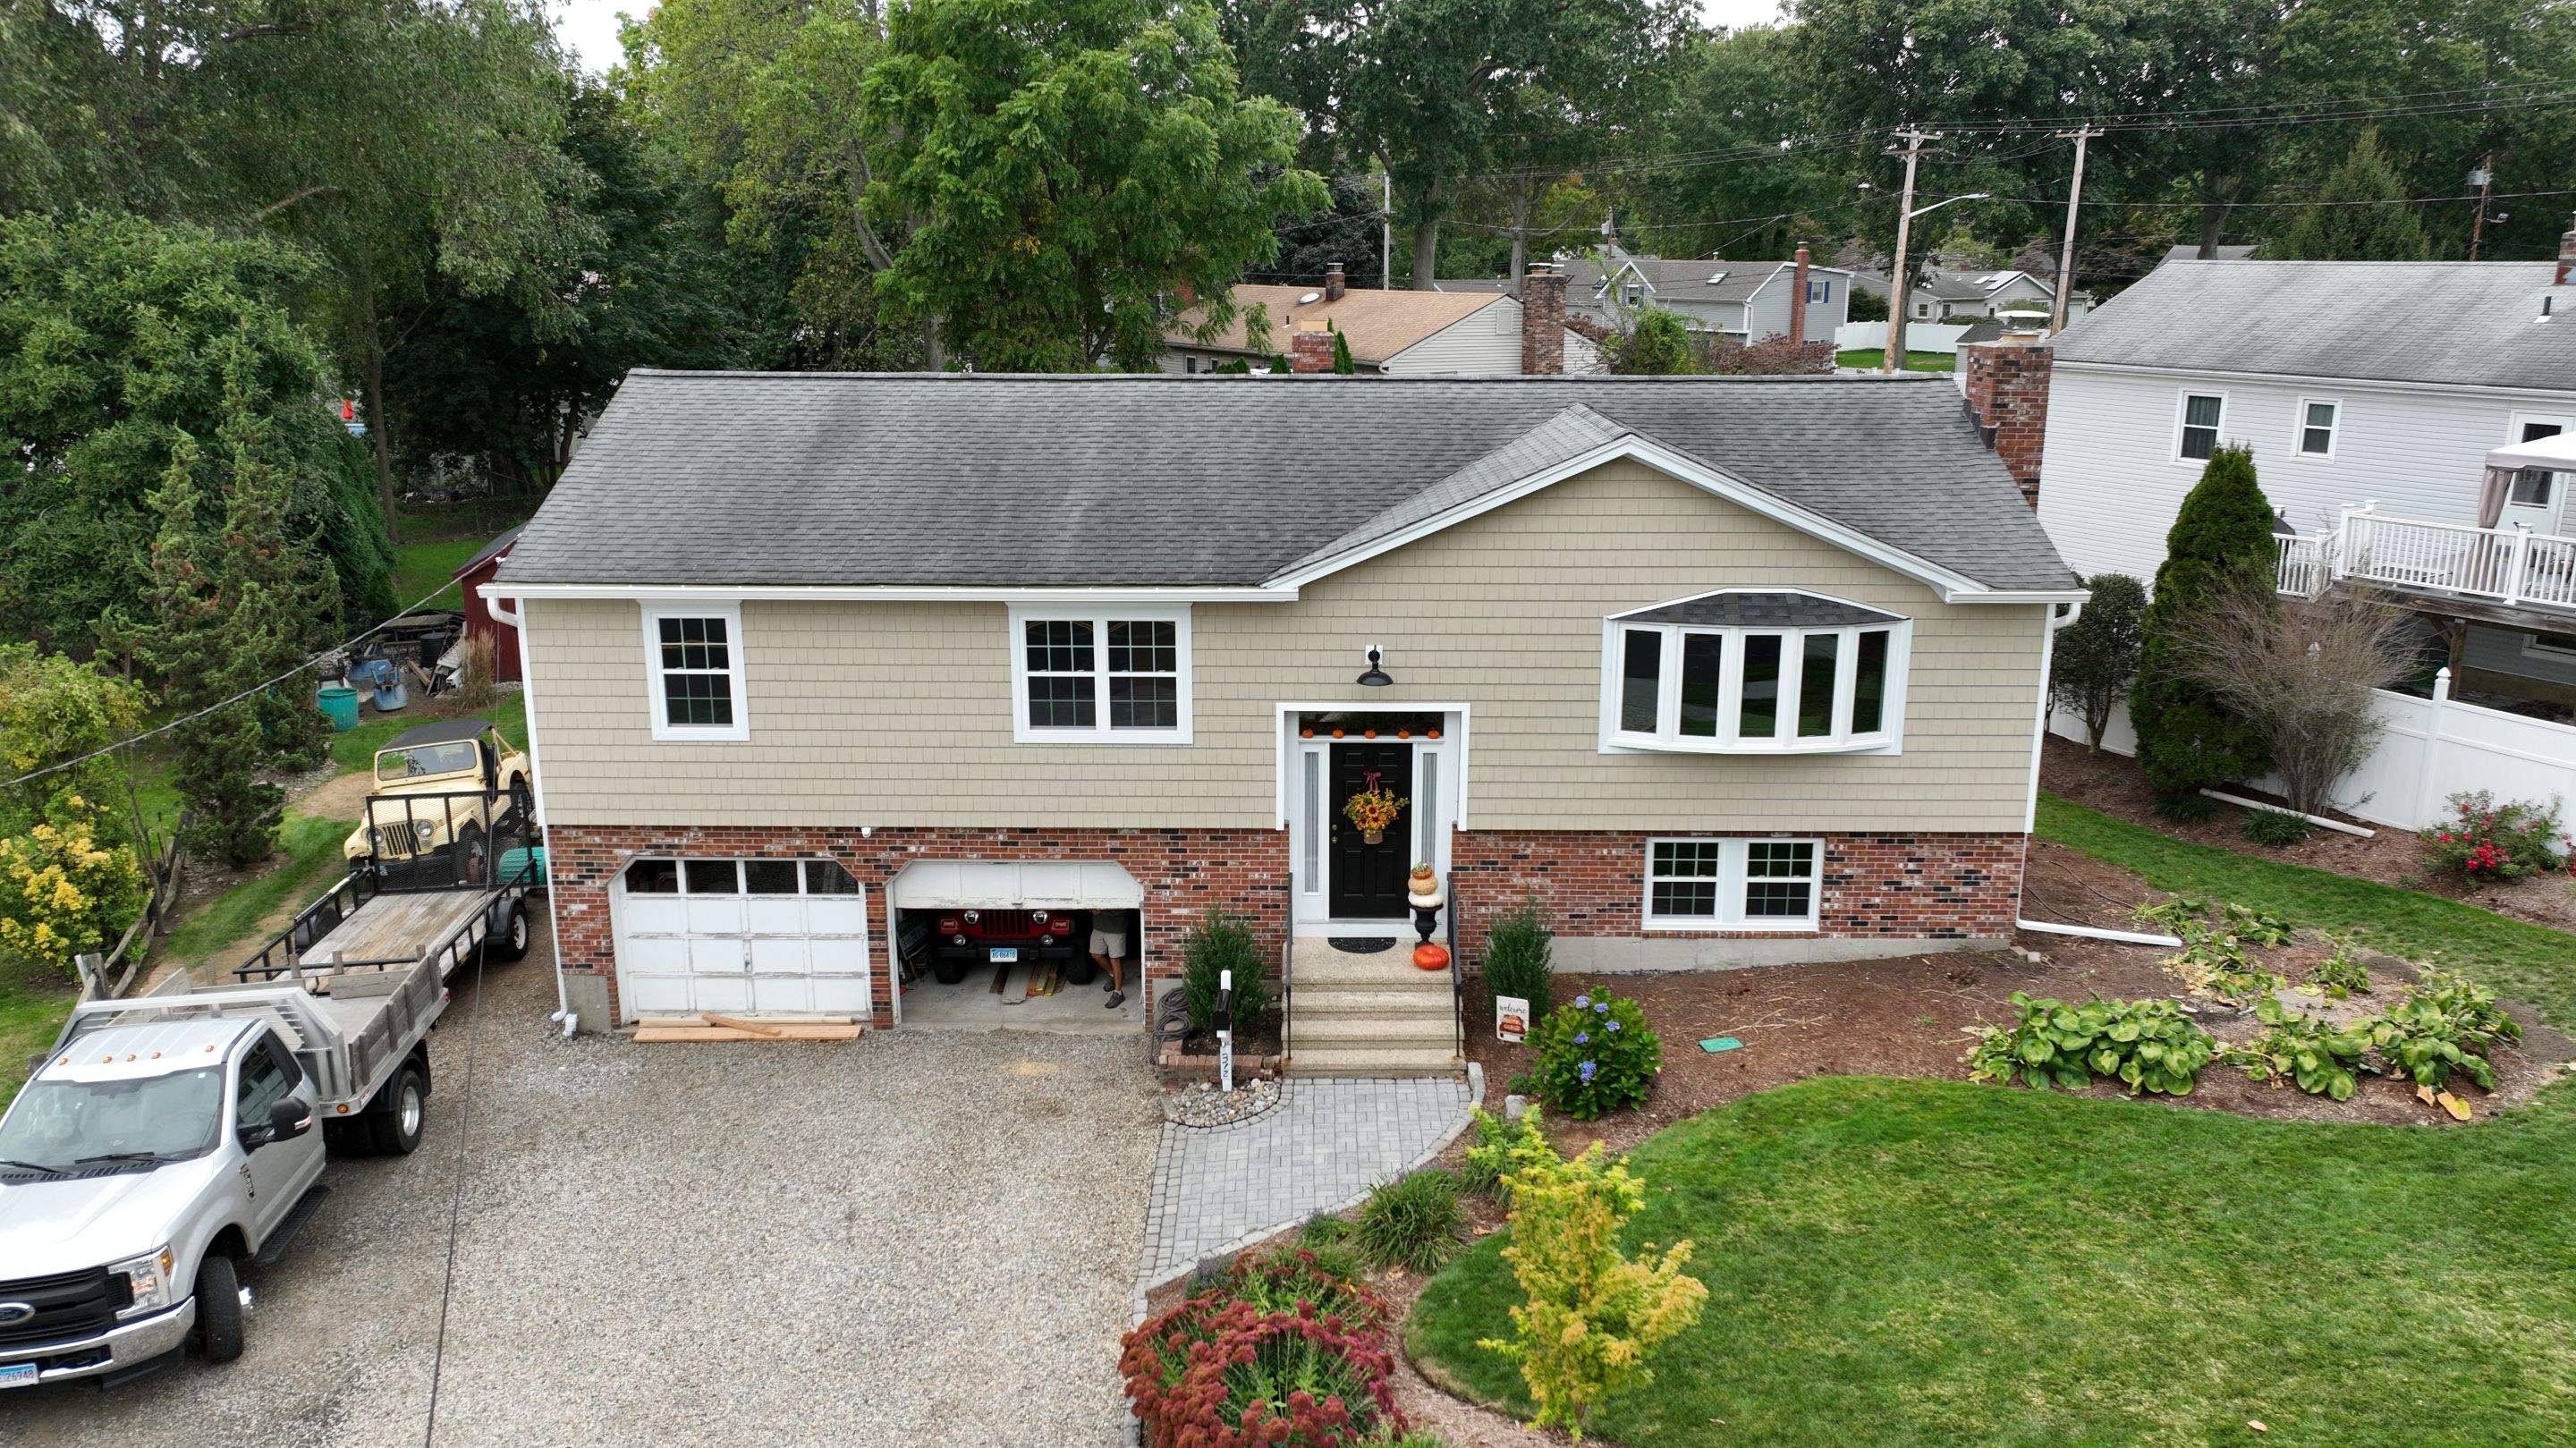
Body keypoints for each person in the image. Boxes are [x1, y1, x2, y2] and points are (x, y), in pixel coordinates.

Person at [1090, 911, 1130, 1009]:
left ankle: (1118, 993)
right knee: (1096, 955)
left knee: (1115, 959)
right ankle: (1114, 975)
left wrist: (1101, 910)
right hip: (1098, 927)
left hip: (1115, 928)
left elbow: (1123, 907)